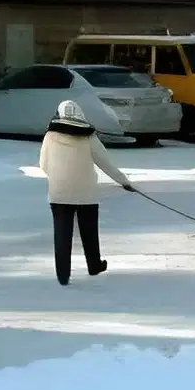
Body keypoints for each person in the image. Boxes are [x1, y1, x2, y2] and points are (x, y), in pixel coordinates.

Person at [38, 100, 136, 286]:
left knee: (62, 233)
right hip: (86, 193)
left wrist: (59, 176)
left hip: (59, 193)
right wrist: (124, 182)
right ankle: (94, 265)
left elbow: (43, 164)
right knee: (89, 231)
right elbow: (105, 162)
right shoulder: (89, 136)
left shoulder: (50, 136)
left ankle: (63, 275)